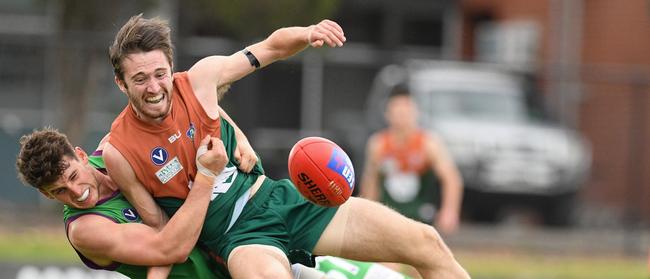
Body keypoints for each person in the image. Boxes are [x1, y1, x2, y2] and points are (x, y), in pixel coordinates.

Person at [103, 14, 469, 279]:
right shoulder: (120, 152)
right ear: (121, 83)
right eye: (139, 79)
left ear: (171, 68)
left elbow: (270, 47)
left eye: (159, 74)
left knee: (425, 241)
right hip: (240, 238)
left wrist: (308, 33)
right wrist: (206, 176)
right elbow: (162, 233)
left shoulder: (200, 80)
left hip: (283, 200)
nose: (153, 87)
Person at [15, 128, 229, 278]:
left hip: (231, 254)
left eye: (73, 176)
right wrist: (206, 175)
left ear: (81, 155)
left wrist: (240, 140)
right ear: (47, 194)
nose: (77, 192)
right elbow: (171, 248)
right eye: (59, 191)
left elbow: (193, 98)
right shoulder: (85, 229)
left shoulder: (115, 149)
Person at [360, 85, 464, 234]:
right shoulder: (379, 144)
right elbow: (370, 181)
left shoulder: (428, 143)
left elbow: (451, 178)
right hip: (389, 214)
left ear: (416, 113)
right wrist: (367, 213)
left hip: (420, 214)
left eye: (406, 112)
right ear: (387, 114)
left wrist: (449, 211)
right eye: (397, 112)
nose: (402, 117)